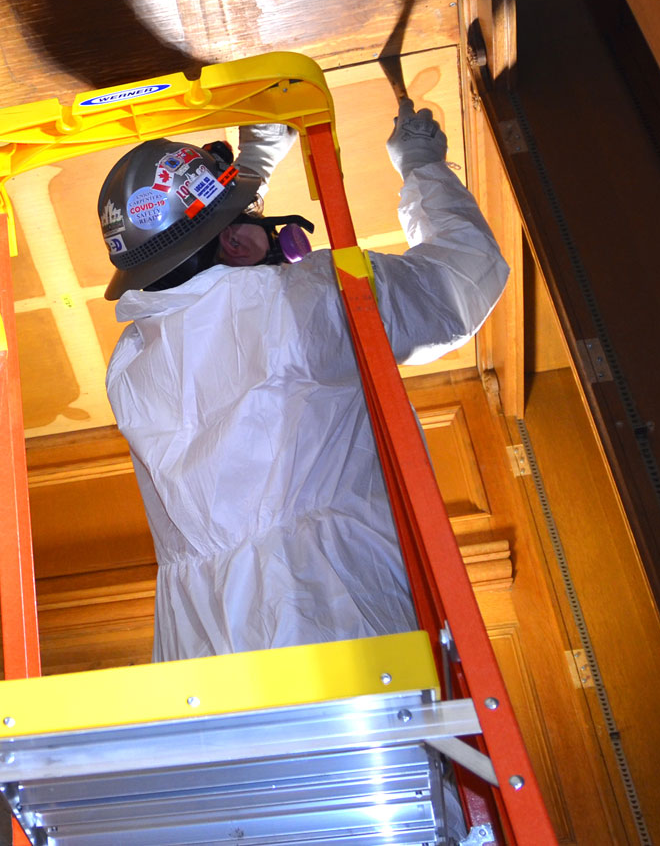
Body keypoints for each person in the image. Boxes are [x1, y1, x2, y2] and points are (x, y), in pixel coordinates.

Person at [95, 99, 509, 661]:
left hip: (200, 637)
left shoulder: (130, 364)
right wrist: (423, 167)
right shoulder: (315, 295)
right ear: (238, 242)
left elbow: (205, 289)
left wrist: (252, 168)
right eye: (251, 216)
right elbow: (463, 280)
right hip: (330, 609)